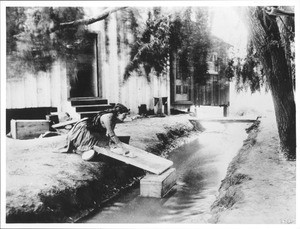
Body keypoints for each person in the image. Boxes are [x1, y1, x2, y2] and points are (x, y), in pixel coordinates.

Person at [59, 103, 135, 157]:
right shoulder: (108, 118)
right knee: (90, 146)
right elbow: (111, 134)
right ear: (118, 113)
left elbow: (110, 133)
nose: (125, 117)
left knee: (105, 143)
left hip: (96, 129)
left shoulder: (115, 118)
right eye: (124, 115)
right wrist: (122, 147)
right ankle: (78, 149)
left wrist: (114, 143)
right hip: (86, 128)